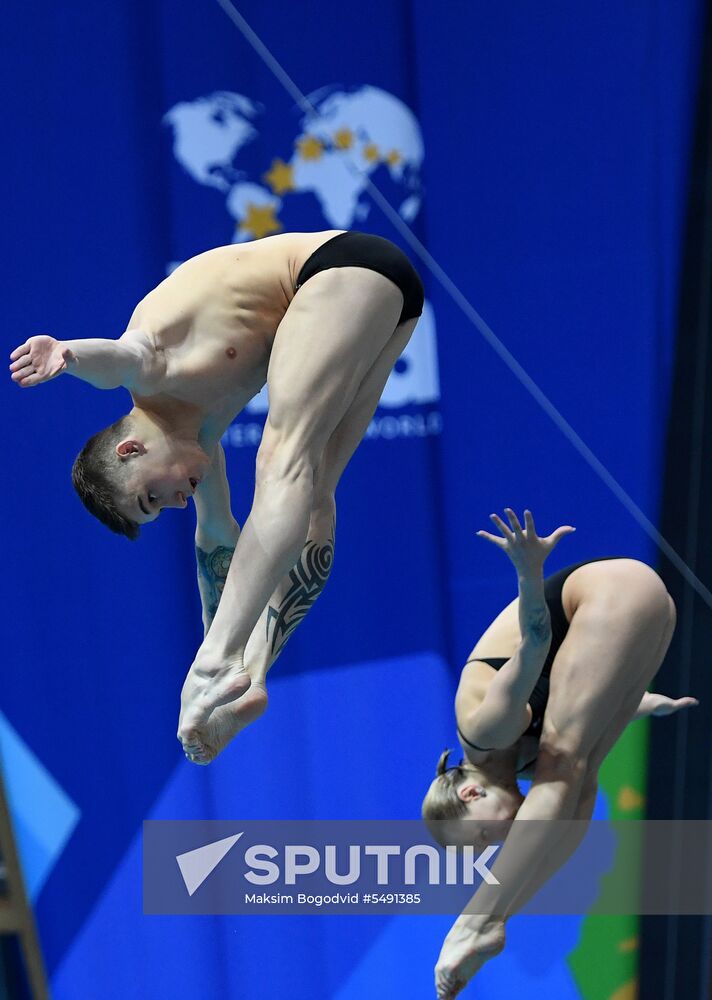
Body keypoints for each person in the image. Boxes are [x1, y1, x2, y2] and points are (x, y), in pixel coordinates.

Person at [9, 230, 424, 764]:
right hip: (395, 303)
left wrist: (68, 353)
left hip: (336, 269)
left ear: (132, 450)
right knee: (314, 493)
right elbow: (218, 539)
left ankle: (216, 665)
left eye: (151, 499)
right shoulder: (198, 437)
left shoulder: (153, 371)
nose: (176, 504)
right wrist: (224, 638)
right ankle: (246, 674)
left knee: (283, 461)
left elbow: (120, 358)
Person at [421, 509, 697, 998]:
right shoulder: (521, 764)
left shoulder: (485, 730)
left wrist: (529, 571)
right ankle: (494, 920)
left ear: (469, 791)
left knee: (563, 766)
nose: (503, 838)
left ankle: (474, 922)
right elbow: (590, 684)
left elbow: (538, 640)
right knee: (578, 778)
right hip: (652, 616)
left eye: (486, 833)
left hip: (613, 589)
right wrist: (648, 703)